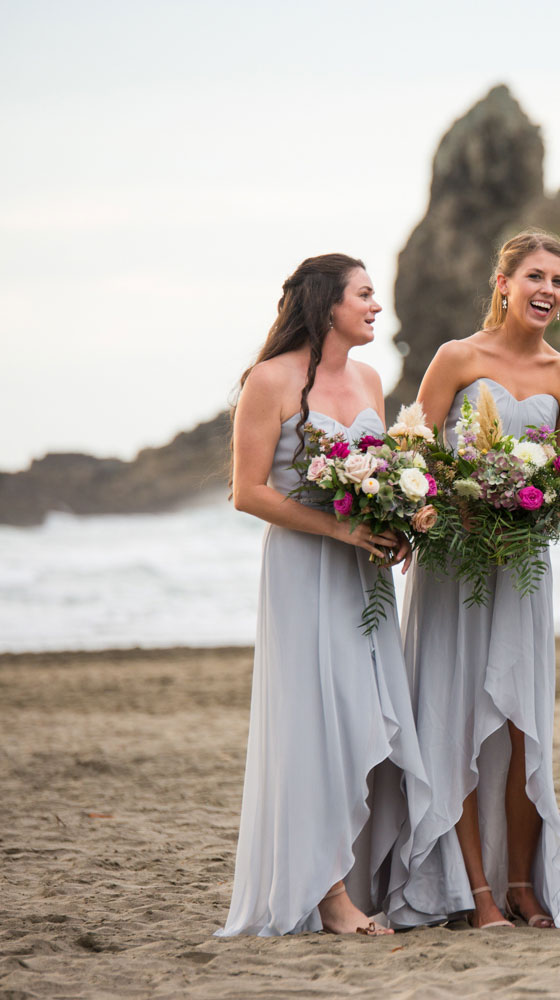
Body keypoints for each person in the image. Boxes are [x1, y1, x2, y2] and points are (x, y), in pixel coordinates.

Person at [219, 254, 430, 936]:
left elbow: (383, 474)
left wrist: (400, 524)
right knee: (315, 723)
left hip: (362, 575)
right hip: (303, 572)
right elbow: (248, 491)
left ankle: (359, 875)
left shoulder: (368, 378)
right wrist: (342, 527)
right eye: (365, 295)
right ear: (326, 303)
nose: (376, 306)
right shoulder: (269, 380)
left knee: (364, 716)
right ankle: (328, 897)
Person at [384, 230, 560, 930]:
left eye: (559, 281)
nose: (548, 291)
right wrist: (435, 512)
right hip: (455, 566)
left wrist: (532, 498)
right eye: (536, 275)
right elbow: (411, 461)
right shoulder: (455, 359)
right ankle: (475, 894)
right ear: (503, 282)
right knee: (457, 717)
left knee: (525, 723)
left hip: (524, 568)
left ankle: (524, 885)